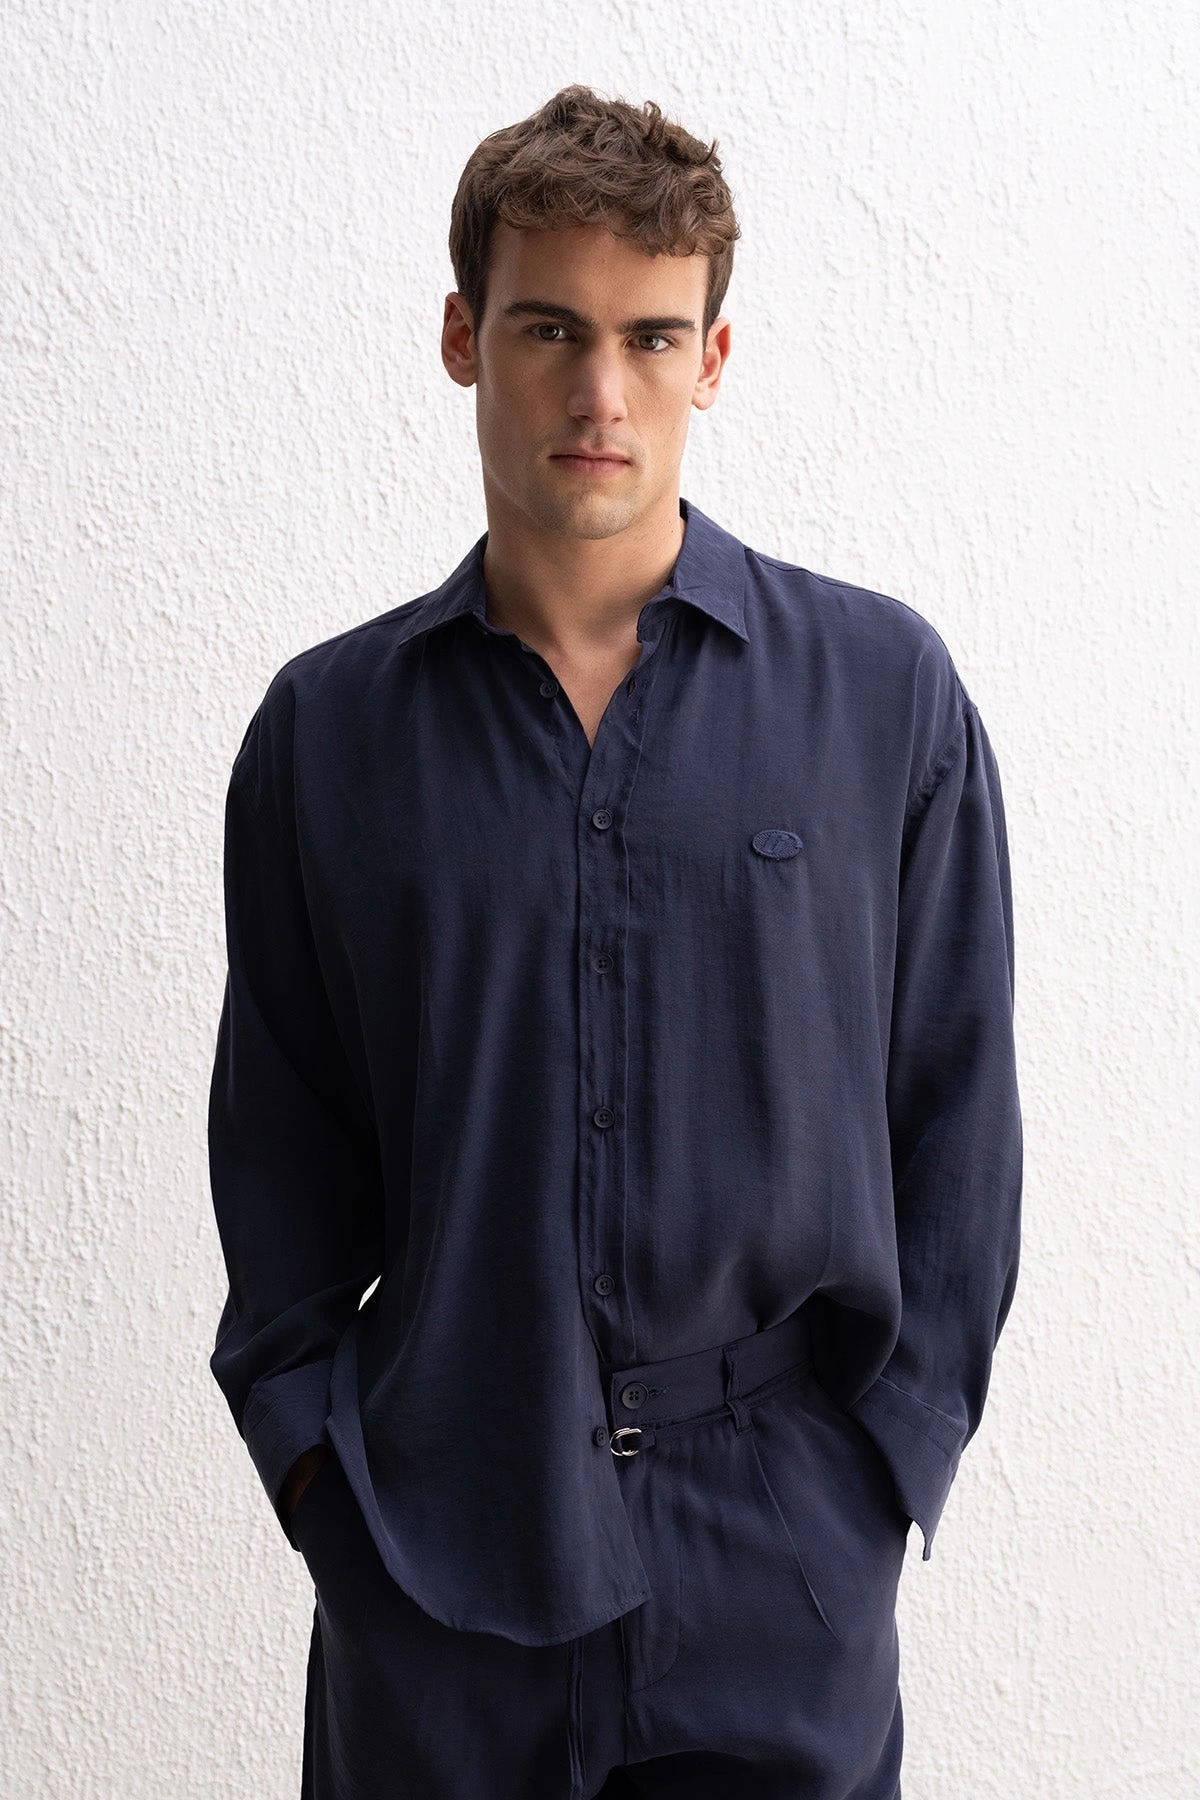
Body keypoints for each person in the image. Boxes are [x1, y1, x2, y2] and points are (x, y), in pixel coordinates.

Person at [207, 82, 1023, 1800]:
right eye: (549, 330)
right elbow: (281, 1163)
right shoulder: (327, 735)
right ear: (463, 338)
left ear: (711, 360)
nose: (601, 392)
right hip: (435, 1558)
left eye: (651, 337)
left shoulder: (881, 699)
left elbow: (956, 1117)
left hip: (780, 1569)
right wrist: (319, 1485)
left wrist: (883, 1474)